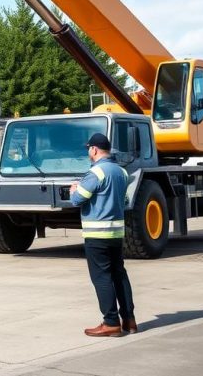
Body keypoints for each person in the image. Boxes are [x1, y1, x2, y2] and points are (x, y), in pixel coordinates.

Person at [70, 132, 137, 337]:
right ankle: (129, 320)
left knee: (102, 278)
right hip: (116, 234)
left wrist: (74, 189)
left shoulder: (96, 173)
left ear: (95, 149)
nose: (88, 152)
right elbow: (125, 201)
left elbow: (77, 200)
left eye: (89, 148)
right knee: (119, 275)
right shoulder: (122, 173)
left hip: (97, 235)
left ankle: (110, 322)